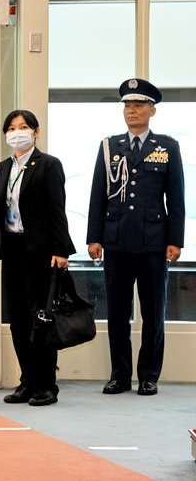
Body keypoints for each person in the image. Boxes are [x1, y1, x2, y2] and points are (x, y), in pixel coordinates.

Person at [86, 78, 185, 396]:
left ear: (152, 111)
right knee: (117, 311)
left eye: (138, 105)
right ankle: (119, 374)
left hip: (155, 243)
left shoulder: (167, 147)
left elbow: (176, 198)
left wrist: (176, 240)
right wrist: (94, 238)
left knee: (154, 312)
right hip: (115, 241)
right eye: (127, 105)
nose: (131, 110)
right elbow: (97, 196)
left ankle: (148, 375)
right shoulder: (109, 146)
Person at [0, 109, 75, 407]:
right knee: (18, 321)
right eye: (11, 128)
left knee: (41, 320)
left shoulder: (48, 165)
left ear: (35, 132)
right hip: (11, 251)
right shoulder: (2, 167)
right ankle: (27, 381)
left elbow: (57, 210)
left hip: (42, 254)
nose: (17, 132)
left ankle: (46, 385)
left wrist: (61, 250)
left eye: (23, 127)